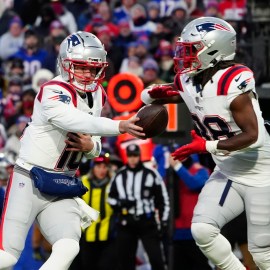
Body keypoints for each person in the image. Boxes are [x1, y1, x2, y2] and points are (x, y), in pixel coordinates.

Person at [0, 31, 145, 270]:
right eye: (81, 67)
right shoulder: (52, 89)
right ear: (65, 64)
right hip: (29, 179)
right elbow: (74, 121)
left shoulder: (97, 93)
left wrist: (92, 147)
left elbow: (94, 141)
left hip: (62, 182)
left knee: (68, 246)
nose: (88, 74)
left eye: (93, 68)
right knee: (7, 257)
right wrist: (120, 125)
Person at [141, 16, 270, 270]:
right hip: (228, 171)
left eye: (191, 50)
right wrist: (150, 93)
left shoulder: (232, 81)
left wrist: (207, 147)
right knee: (202, 230)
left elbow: (253, 137)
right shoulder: (189, 80)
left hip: (262, 173)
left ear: (213, 50)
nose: (184, 56)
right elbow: (168, 93)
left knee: (262, 253)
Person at [108, 143, 170, 270]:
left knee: (156, 259)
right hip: (126, 222)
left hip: (147, 222)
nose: (132, 158)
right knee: (126, 261)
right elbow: (109, 198)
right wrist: (121, 203)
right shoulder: (119, 175)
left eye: (135, 155)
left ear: (139, 156)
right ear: (127, 156)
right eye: (130, 155)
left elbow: (163, 199)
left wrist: (163, 222)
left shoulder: (151, 174)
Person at [73, 154, 117, 270]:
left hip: (108, 236)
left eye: (104, 166)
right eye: (98, 166)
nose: (102, 170)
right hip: (87, 235)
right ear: (93, 168)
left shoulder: (114, 183)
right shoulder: (83, 182)